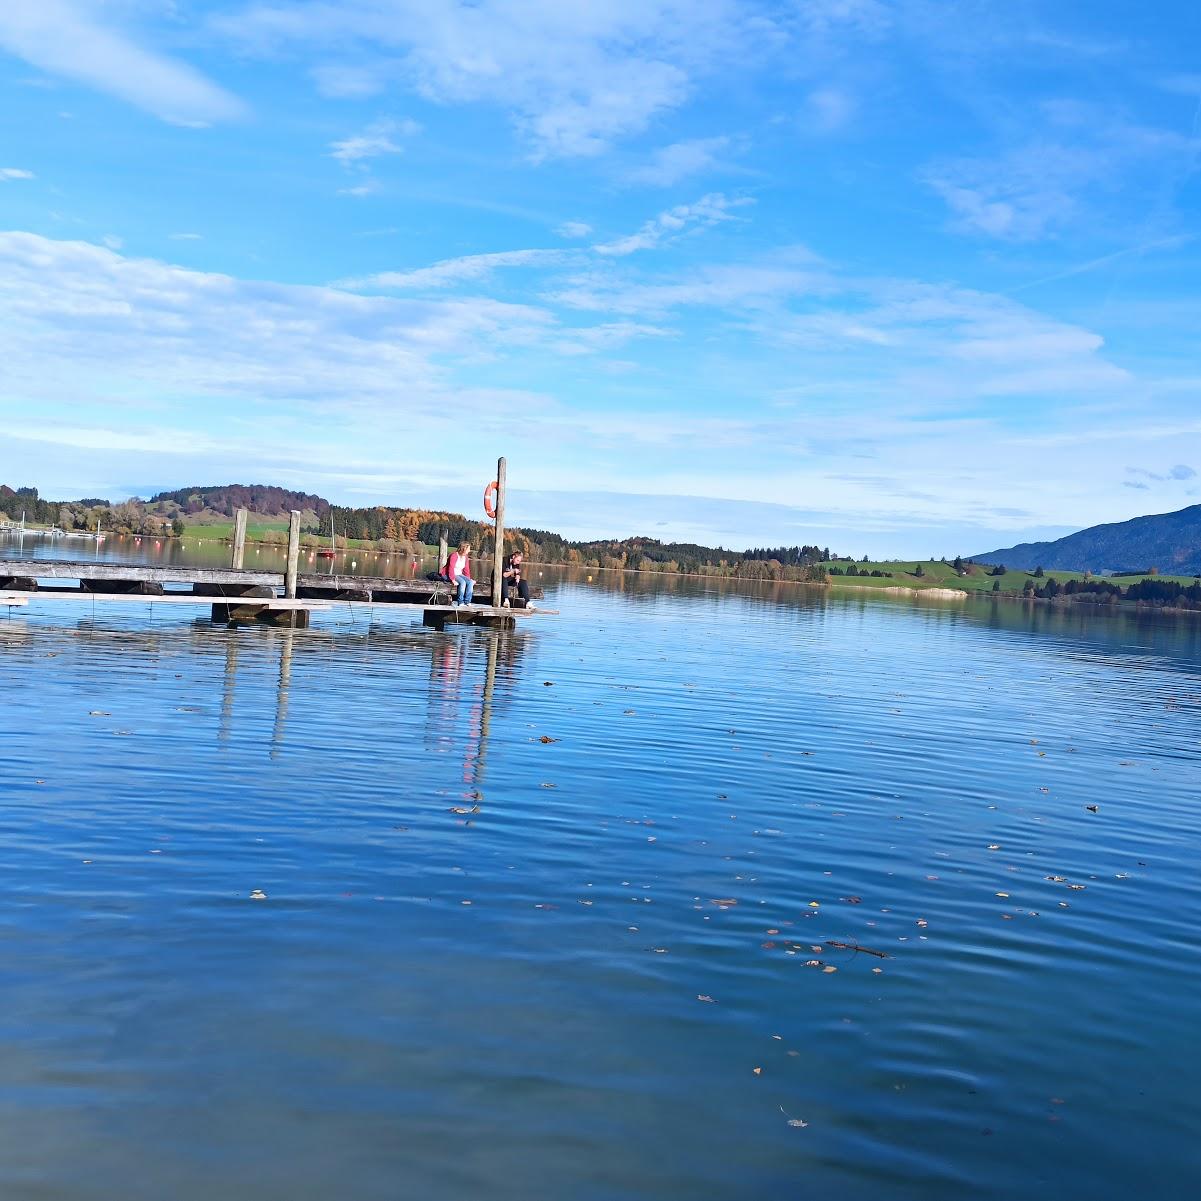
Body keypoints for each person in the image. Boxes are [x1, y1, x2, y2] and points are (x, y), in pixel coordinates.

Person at [447, 541, 474, 605]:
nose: (469, 551)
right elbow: (451, 568)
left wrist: (468, 579)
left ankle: (467, 601)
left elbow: (466, 570)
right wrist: (453, 580)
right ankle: (460, 601)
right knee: (462, 582)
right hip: (452, 574)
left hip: (459, 574)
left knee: (470, 582)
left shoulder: (465, 557)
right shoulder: (454, 555)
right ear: (464, 548)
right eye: (468, 549)